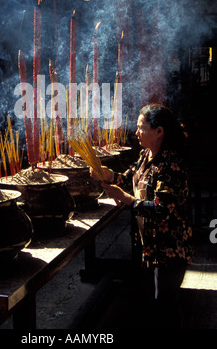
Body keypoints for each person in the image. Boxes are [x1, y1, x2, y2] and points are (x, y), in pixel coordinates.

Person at [91, 103, 194, 329]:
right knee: (151, 301)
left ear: (159, 131)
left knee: (165, 304)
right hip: (149, 245)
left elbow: (161, 210)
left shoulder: (171, 164)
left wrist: (127, 199)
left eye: (141, 127)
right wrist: (109, 175)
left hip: (169, 247)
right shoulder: (146, 154)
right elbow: (130, 177)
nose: (136, 132)